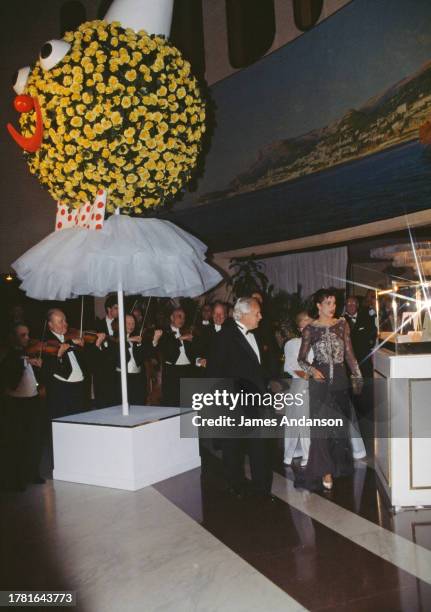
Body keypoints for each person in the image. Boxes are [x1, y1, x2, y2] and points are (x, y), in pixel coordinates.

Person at [296, 288, 363, 492]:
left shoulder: (342, 324)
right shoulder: (310, 329)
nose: (332, 307)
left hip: (341, 380)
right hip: (319, 382)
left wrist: (357, 374)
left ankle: (335, 465)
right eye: (328, 304)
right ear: (318, 305)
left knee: (339, 426)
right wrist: (312, 370)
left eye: (334, 303)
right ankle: (325, 471)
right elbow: (301, 359)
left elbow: (349, 353)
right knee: (321, 428)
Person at [207, 297, 273, 500]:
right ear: (243, 315)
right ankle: (235, 486)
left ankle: (262, 490)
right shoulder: (225, 336)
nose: (261, 316)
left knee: (260, 447)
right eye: (257, 313)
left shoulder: (257, 334)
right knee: (233, 448)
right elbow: (214, 372)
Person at [1, 323, 45, 491]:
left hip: (32, 401)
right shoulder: (10, 356)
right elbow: (11, 381)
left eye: (27, 335)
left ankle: (33, 473)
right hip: (16, 404)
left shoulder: (27, 354)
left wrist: (35, 365)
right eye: (23, 335)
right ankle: (17, 480)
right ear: (13, 337)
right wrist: (23, 361)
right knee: (18, 442)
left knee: (34, 440)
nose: (27, 338)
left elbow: (34, 378)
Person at [42, 309, 104, 418]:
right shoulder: (45, 343)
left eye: (65, 321)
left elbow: (89, 361)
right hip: (62, 392)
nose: (65, 324)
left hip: (80, 389)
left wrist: (97, 343)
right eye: (60, 321)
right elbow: (47, 369)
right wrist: (64, 349)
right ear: (50, 325)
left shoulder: (73, 337)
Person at [283, 311, 312, 467]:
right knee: (302, 419)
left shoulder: (318, 342)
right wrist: (308, 374)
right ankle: (306, 453)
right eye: (305, 323)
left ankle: (314, 452)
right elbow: (290, 366)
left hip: (316, 384)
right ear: (300, 328)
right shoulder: (293, 344)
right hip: (301, 383)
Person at [153, 307, 195, 407]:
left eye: (184, 318)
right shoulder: (165, 332)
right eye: (179, 316)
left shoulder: (186, 331)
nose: (182, 320)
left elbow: (193, 352)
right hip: (173, 371)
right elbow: (167, 350)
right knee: (172, 402)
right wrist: (180, 338)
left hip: (187, 370)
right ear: (172, 317)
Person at [111, 314, 154, 405]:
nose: (131, 326)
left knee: (138, 403)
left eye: (133, 323)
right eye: (128, 323)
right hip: (122, 378)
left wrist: (154, 341)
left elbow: (145, 355)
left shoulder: (136, 338)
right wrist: (128, 340)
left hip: (137, 378)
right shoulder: (114, 338)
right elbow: (116, 354)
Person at [93, 295, 119, 407]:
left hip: (118, 372)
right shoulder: (97, 325)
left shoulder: (123, 325)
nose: (120, 311)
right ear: (109, 309)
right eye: (116, 308)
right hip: (102, 373)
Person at [344, 296, 377, 379]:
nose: (351, 306)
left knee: (367, 383)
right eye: (348, 304)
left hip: (364, 358)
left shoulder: (366, 317)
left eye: (353, 304)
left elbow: (373, 331)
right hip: (349, 361)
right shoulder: (341, 320)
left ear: (357, 305)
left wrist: (370, 344)